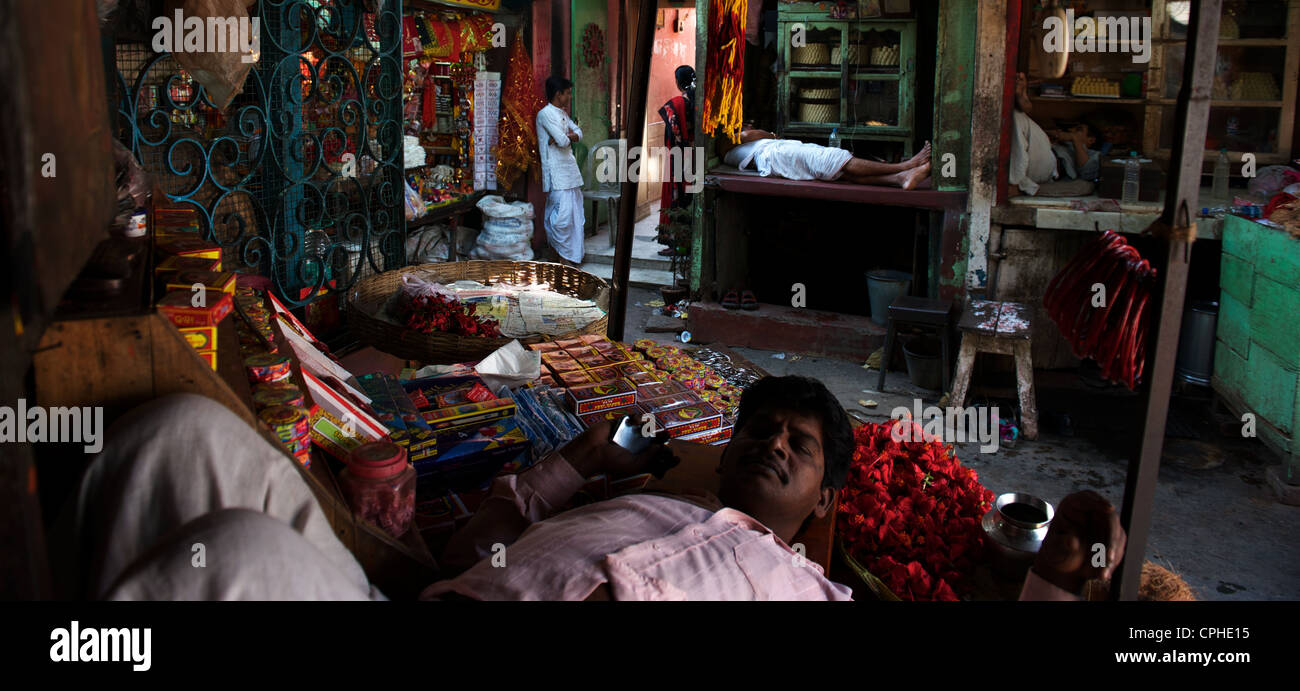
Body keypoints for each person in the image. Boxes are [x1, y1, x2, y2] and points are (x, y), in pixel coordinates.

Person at [63, 380, 1125, 601]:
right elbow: (455, 551)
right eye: (761, 429)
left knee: (243, 557)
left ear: (825, 503)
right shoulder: (630, 496)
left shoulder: (810, 594)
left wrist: (1071, 562)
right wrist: (578, 468)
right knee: (179, 432)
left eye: (800, 446)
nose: (772, 446)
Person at [719, 124, 932, 189]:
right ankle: (904, 166)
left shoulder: (741, 148)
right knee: (835, 159)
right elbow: (753, 133)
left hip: (779, 158)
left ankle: (900, 179)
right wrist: (770, 133)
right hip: (778, 154)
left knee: (841, 173)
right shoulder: (730, 143)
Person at [1009, 73, 1104, 197]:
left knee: (1017, 115)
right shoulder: (1062, 143)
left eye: (1079, 130)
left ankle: (1014, 181)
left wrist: (1075, 140)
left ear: (1091, 140)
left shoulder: (1093, 155)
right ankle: (1022, 100)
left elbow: (1087, 173)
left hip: (1050, 165)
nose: (1072, 131)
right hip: (1031, 156)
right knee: (1013, 115)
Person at [536, 75, 585, 265]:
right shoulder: (545, 114)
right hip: (556, 174)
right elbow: (565, 140)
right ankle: (561, 263)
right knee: (560, 221)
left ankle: (564, 263)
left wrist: (560, 138)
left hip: (571, 173)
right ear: (558, 94)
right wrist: (563, 138)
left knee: (573, 219)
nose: (570, 97)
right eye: (568, 93)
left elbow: (578, 133)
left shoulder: (562, 113)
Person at [657, 65, 696, 248]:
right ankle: (689, 243)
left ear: (678, 82)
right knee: (692, 197)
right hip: (696, 156)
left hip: (678, 158)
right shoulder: (699, 102)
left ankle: (677, 244)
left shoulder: (676, 104)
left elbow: (673, 134)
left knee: (676, 197)